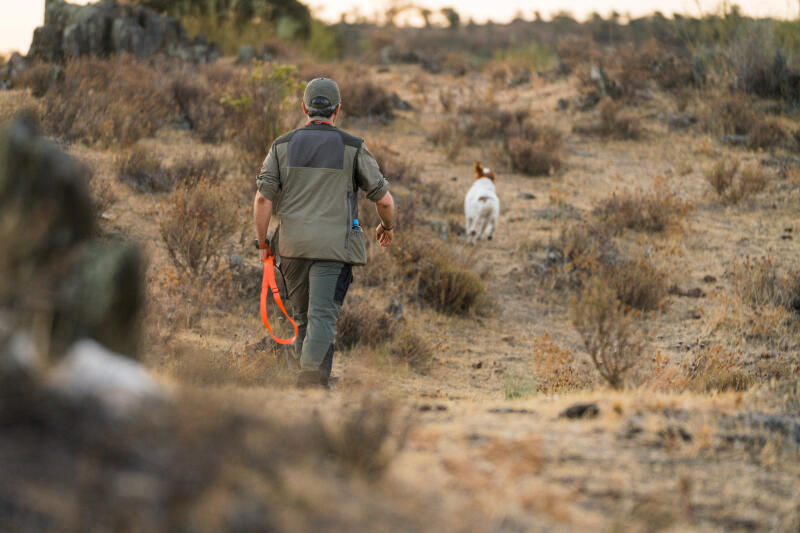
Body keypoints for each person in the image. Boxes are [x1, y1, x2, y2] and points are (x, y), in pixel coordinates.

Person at [253, 77, 396, 389]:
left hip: (292, 248)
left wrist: (263, 243)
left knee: (303, 317)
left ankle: (305, 380)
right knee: (321, 317)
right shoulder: (353, 146)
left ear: (305, 108)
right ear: (338, 110)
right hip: (334, 249)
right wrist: (387, 226)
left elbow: (263, 198)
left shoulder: (282, 145)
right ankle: (311, 384)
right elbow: (384, 201)